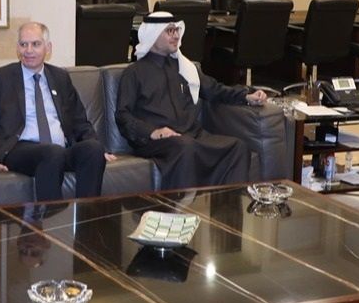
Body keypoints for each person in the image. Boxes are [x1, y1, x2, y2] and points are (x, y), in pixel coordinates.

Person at [115, 11, 269, 188]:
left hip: (192, 135)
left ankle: (225, 204)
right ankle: (181, 205)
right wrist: (154, 132)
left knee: (238, 147)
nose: (176, 36)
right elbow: (123, 115)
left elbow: (214, 89)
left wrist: (246, 96)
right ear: (153, 35)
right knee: (185, 146)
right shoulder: (134, 73)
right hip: (158, 141)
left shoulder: (184, 67)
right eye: (169, 31)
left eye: (176, 30)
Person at [0, 22, 116, 200]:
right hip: (19, 150)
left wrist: (98, 147)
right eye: (23, 44)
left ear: (48, 48)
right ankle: (51, 217)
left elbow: (79, 120)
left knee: (93, 149)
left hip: (61, 149)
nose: (28, 50)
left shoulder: (60, 77)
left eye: (36, 44)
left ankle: (87, 215)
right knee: (52, 153)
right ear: (17, 47)